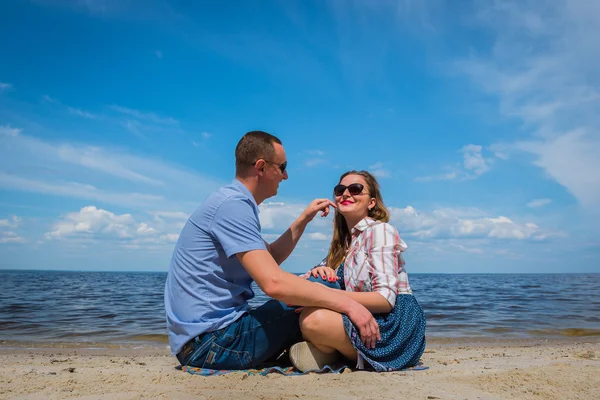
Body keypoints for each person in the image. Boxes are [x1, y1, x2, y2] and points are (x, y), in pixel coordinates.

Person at [164, 131, 380, 370]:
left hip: (202, 342)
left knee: (313, 289)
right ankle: (363, 344)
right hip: (212, 345)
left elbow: (271, 258)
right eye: (282, 167)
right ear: (261, 167)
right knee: (327, 287)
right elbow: (273, 284)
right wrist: (350, 305)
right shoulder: (233, 206)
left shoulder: (230, 201)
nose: (285, 176)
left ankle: (321, 348)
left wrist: (304, 219)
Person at [288, 170, 426, 372]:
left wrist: (322, 295)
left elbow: (385, 300)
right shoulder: (342, 245)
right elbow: (303, 284)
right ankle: (333, 351)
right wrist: (321, 270)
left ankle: (331, 353)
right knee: (300, 308)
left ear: (371, 202)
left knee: (312, 319)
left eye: (355, 189)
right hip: (362, 316)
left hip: (393, 325)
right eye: (340, 190)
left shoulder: (380, 231)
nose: (345, 194)